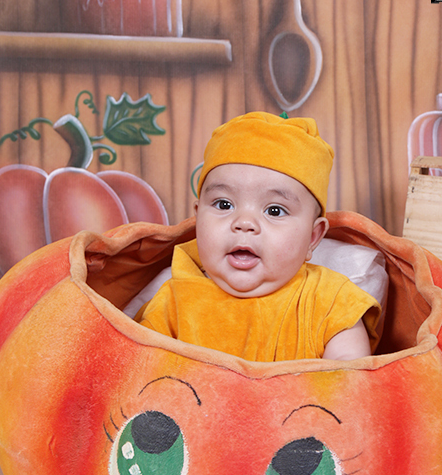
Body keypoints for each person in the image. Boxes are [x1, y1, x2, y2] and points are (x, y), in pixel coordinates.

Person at [136, 111, 381, 361]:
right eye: (224, 204)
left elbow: (350, 376)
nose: (244, 223)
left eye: (274, 210)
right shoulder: (173, 302)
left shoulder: (332, 302)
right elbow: (138, 369)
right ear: (198, 219)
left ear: (312, 237)